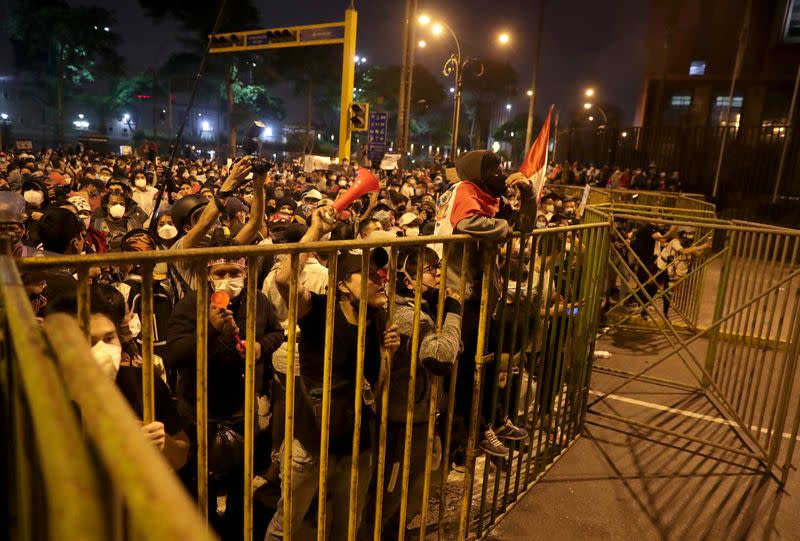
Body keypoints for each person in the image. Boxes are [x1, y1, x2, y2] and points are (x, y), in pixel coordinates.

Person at [265, 206, 400, 541]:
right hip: (312, 445)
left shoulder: (377, 321)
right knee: (286, 528)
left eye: (380, 273)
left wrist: (387, 356)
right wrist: (316, 231)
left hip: (356, 446)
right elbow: (284, 279)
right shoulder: (319, 313)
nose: (379, 279)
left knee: (344, 529)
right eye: (368, 274)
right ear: (342, 285)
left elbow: (377, 391)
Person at [166, 244, 283, 540]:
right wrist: (207, 329)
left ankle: (234, 530)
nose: (229, 278)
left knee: (240, 482)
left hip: (242, 408)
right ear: (209, 275)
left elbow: (276, 333)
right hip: (200, 409)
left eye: (235, 272)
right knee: (198, 483)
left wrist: (260, 348)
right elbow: (175, 354)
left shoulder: (258, 300)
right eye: (221, 272)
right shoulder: (191, 304)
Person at [433, 149, 534, 459]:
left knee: (485, 361)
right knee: (467, 370)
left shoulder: (486, 197)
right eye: (494, 169)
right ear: (479, 173)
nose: (500, 174)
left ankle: (494, 418)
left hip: (481, 295)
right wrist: (503, 230)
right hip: (458, 296)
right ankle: (474, 432)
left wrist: (527, 196)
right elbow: (467, 224)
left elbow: (524, 227)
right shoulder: (464, 192)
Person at [47, 285, 191, 470]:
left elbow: (181, 457)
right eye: (88, 341)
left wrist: (162, 444)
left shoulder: (144, 383)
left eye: (109, 339)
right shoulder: (46, 397)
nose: (103, 351)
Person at [377, 247, 462, 539]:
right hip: (403, 417)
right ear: (408, 278)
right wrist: (454, 314)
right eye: (430, 269)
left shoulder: (419, 307)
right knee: (391, 493)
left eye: (437, 267)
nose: (438, 273)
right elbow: (439, 358)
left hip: (416, 412)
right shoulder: (410, 314)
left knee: (407, 490)